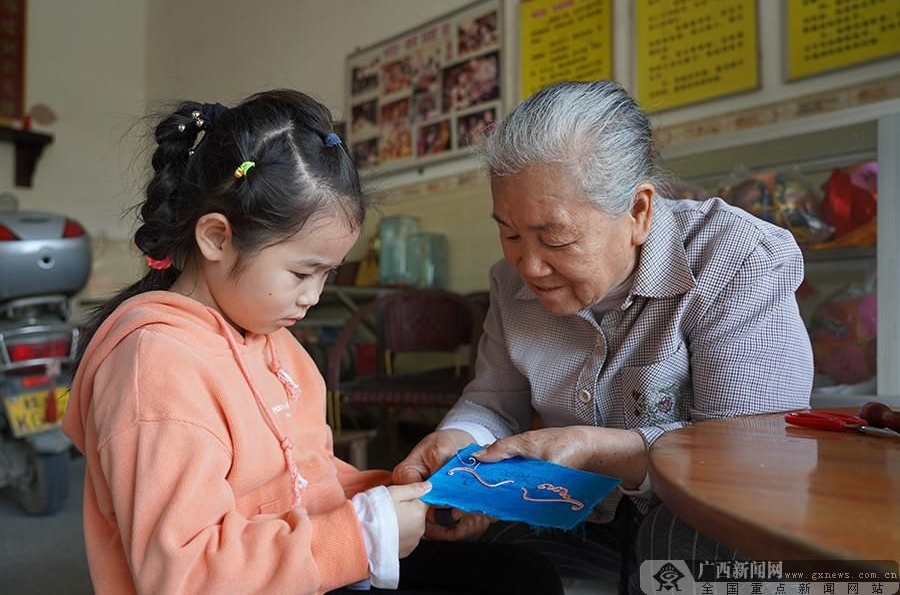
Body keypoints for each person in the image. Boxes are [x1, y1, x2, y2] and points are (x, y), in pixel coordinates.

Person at [64, 89, 564, 595]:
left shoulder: (278, 345)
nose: (312, 297)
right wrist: (366, 531)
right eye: (303, 272)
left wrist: (405, 498)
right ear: (216, 237)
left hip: (314, 572)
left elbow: (306, 482)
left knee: (524, 576)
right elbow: (186, 575)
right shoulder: (156, 367)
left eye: (328, 274)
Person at [393, 81, 813, 593]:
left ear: (638, 212)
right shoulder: (510, 286)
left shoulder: (734, 260)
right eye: (509, 233)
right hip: (574, 509)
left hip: (706, 508)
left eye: (555, 237)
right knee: (484, 561)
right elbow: (494, 399)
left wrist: (592, 447)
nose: (528, 264)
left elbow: (746, 458)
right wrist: (459, 440)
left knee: (679, 550)